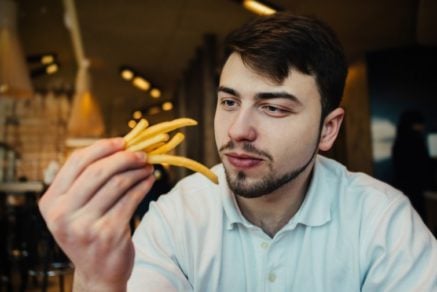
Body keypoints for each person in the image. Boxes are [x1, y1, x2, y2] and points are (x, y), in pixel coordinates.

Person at [38, 13, 437, 291]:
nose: (237, 130)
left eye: (274, 108)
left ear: (328, 129)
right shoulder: (176, 218)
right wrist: (96, 278)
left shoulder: (384, 222)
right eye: (229, 102)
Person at [392, 110, 434, 222]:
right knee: (420, 216)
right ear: (415, 124)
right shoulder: (416, 141)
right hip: (416, 187)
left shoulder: (399, 141)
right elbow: (424, 166)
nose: (423, 127)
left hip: (404, 187)